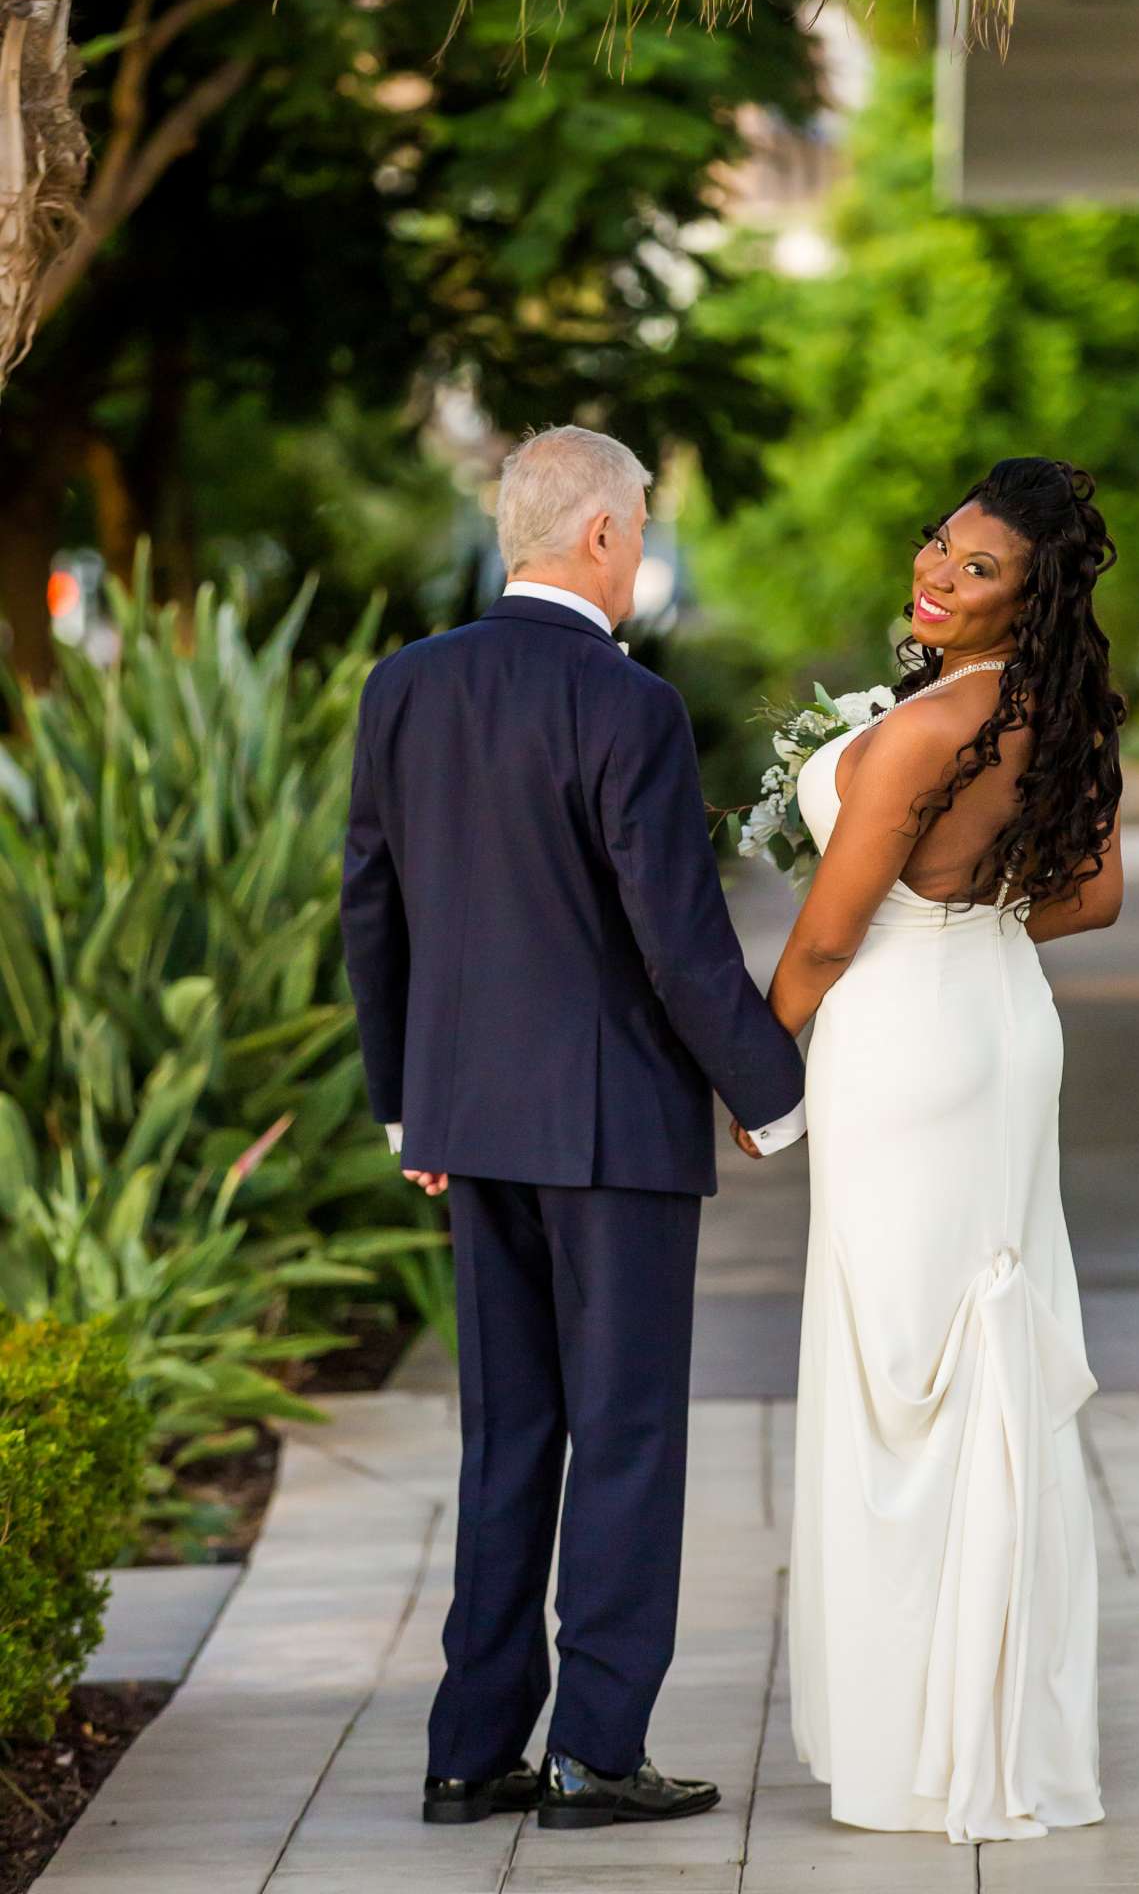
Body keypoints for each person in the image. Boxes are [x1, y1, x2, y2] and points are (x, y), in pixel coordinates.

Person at [340, 424, 807, 1833]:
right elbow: (675, 938)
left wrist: (409, 1099)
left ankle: (470, 1752)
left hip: (470, 1124)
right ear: (600, 536)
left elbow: (374, 908)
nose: (645, 551)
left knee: (509, 1436)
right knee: (622, 1436)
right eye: (645, 527)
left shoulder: (405, 688)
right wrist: (773, 1089)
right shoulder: (629, 706)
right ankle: (596, 1753)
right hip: (610, 1135)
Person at [743, 455, 1124, 1845]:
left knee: (905, 1373)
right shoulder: (1052, 712)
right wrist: (974, 912)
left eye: (979, 572)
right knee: (976, 1359)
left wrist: (746, 1068)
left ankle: (925, 1750)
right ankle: (996, 1722)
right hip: (999, 1017)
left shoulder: (917, 732)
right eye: (939, 548)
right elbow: (1091, 898)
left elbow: (830, 935)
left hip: (905, 1040)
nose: (939, 576)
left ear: (1030, 599)